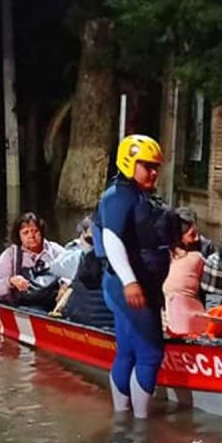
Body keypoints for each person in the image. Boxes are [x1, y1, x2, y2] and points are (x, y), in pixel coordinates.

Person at [93, 134, 179, 419]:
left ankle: (122, 417)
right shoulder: (118, 197)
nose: (154, 172)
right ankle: (141, 425)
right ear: (130, 163)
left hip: (137, 286)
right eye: (147, 166)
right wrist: (130, 281)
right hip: (127, 287)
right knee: (151, 353)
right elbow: (112, 238)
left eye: (156, 167)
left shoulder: (135, 196)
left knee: (128, 351)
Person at [0, 212, 64, 308]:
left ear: (42, 232)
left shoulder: (55, 251)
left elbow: (74, 272)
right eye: (25, 232)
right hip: (23, 306)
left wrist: (64, 285)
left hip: (53, 304)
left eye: (35, 231)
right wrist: (10, 281)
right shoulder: (10, 255)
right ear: (19, 236)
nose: (31, 236)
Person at [163, 211, 208, 336]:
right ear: (179, 236)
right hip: (190, 321)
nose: (197, 238)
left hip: (174, 320)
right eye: (192, 235)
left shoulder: (166, 256)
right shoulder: (198, 257)